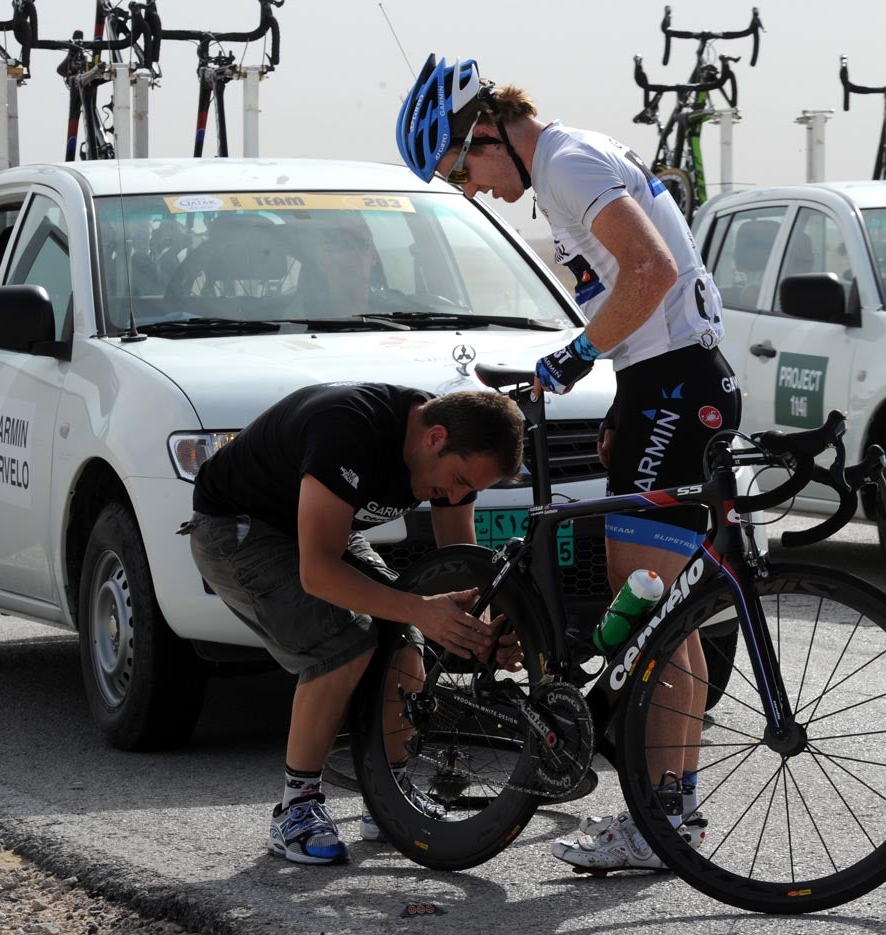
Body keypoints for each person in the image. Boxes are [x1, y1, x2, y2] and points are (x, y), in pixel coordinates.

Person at [395, 55, 742, 872]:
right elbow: (648, 292)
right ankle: (670, 816)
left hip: (679, 385)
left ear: (485, 130)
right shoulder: (559, 169)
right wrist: (623, 399)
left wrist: (576, 356)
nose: (472, 188)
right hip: (663, 384)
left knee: (654, 615)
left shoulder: (567, 162)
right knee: (661, 614)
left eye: (462, 168)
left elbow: (652, 272)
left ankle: (665, 821)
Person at [186, 382, 524, 865]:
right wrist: (421, 607)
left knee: (404, 639)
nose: (453, 496)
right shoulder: (348, 428)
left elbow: (459, 562)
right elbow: (318, 570)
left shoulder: (452, 450)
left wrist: (482, 632)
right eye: (457, 480)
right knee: (343, 641)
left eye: (469, 491)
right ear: (434, 438)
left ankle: (389, 796)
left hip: (321, 531)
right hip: (239, 530)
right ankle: (295, 810)